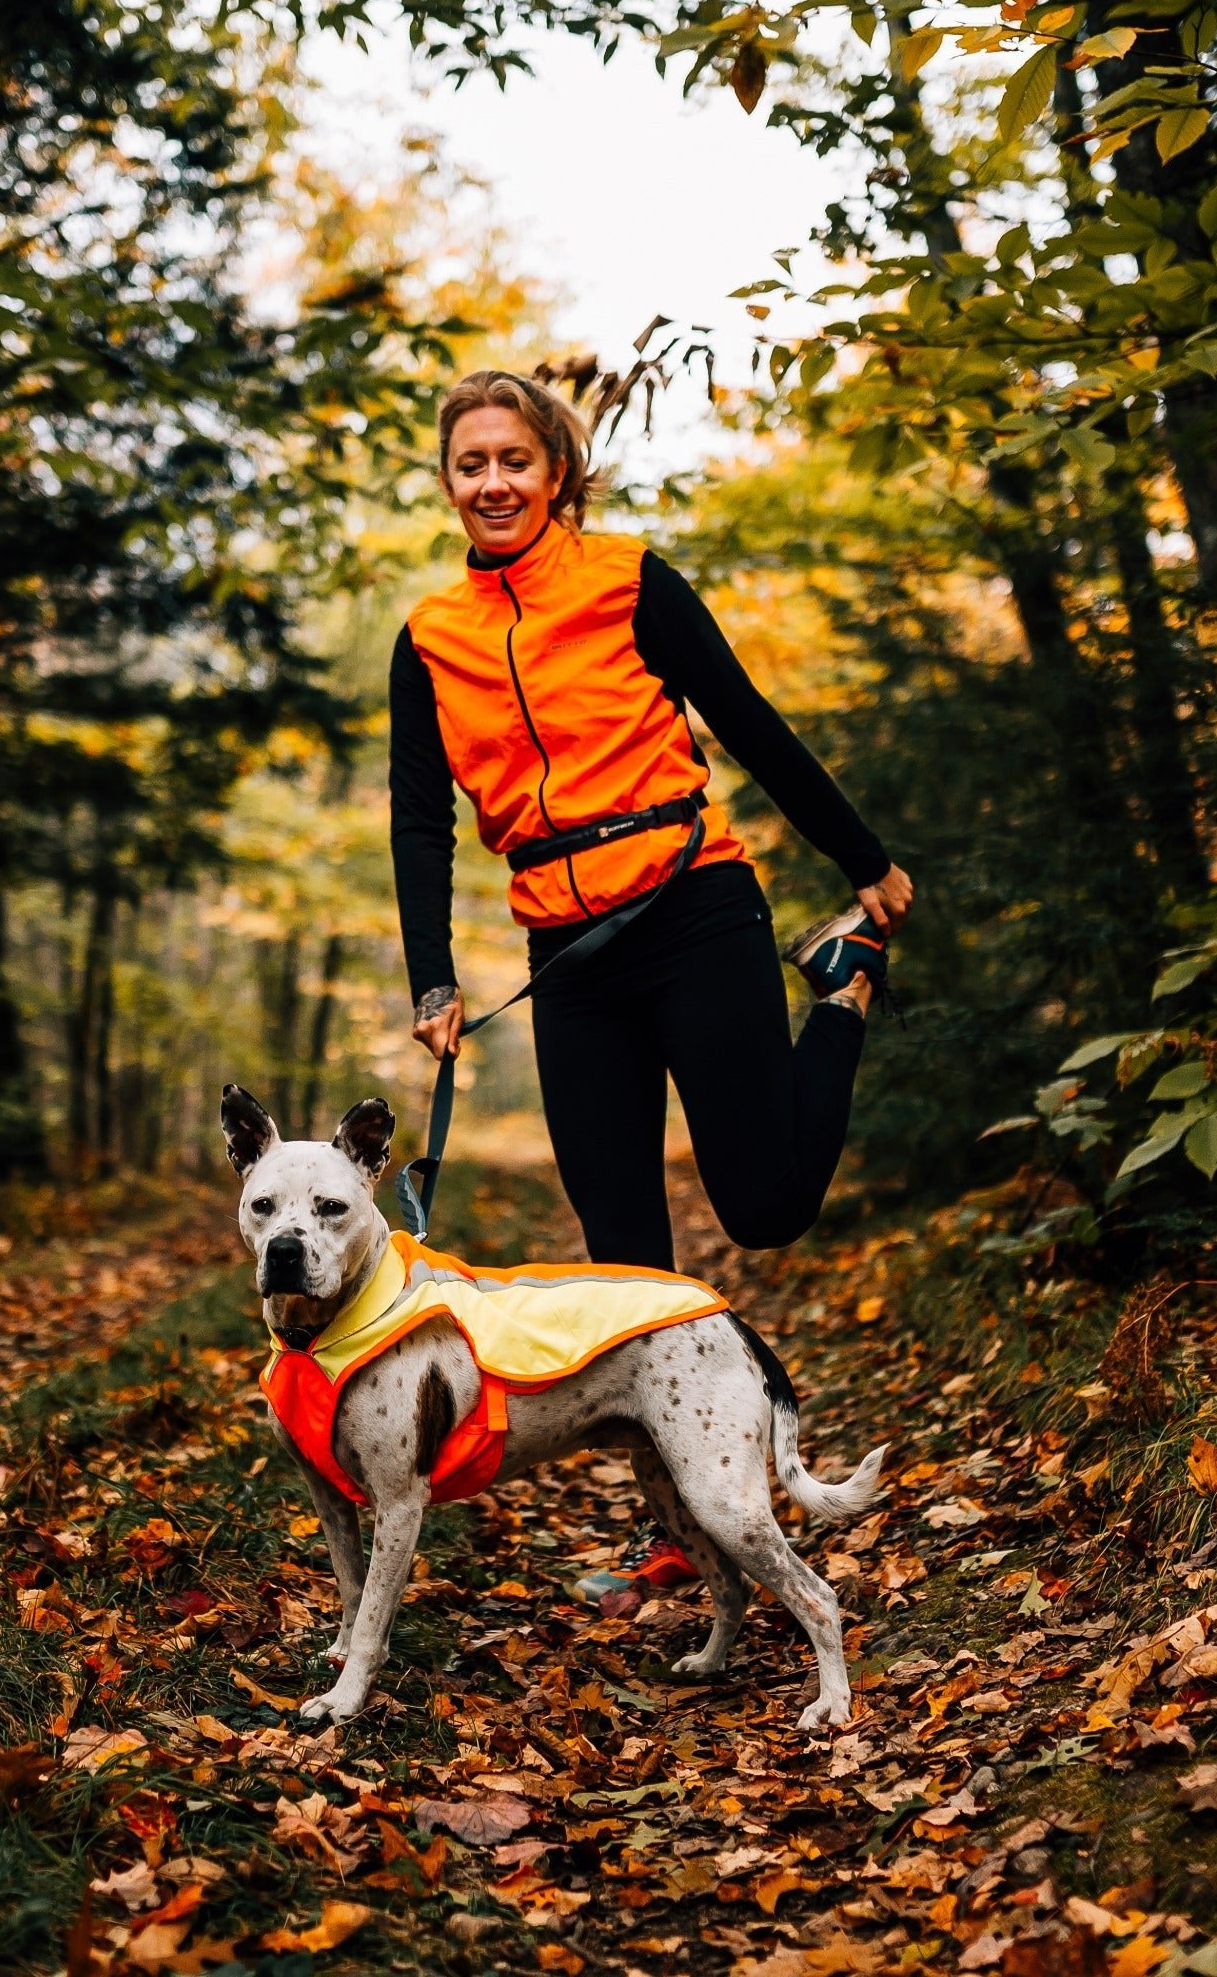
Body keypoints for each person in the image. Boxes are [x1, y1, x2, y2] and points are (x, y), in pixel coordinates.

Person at [387, 370, 913, 1593]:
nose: (493, 482)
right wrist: (431, 978)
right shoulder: (428, 636)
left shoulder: (628, 580)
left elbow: (747, 718)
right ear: (447, 484)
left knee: (765, 1205)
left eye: (513, 458)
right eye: (470, 464)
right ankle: (677, 1522)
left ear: (554, 468)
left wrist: (862, 859)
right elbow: (421, 822)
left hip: (694, 909)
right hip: (566, 962)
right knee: (624, 1261)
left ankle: (840, 988)